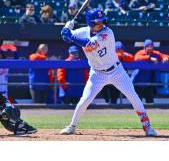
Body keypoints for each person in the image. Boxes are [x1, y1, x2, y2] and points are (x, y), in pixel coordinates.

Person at [60, 8, 157, 136]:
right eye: (98, 22)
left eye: (102, 22)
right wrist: (66, 29)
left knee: (133, 96)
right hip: (97, 73)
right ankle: (72, 126)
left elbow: (88, 44)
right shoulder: (82, 32)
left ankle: (148, 127)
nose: (101, 24)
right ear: (90, 23)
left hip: (116, 71)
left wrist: (70, 34)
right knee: (85, 100)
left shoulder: (107, 33)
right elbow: (66, 38)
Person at [0, 48, 37, 135]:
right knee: (5, 110)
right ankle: (22, 125)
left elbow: (15, 59)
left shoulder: (4, 63)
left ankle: (19, 127)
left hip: (4, 91)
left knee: (7, 109)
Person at [133, 39, 169, 103]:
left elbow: (165, 56)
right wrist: (150, 58)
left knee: (150, 103)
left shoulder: (155, 53)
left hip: (148, 83)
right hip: (138, 81)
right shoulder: (140, 52)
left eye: (151, 46)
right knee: (137, 103)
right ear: (145, 47)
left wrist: (165, 58)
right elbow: (136, 57)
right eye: (148, 46)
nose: (149, 48)